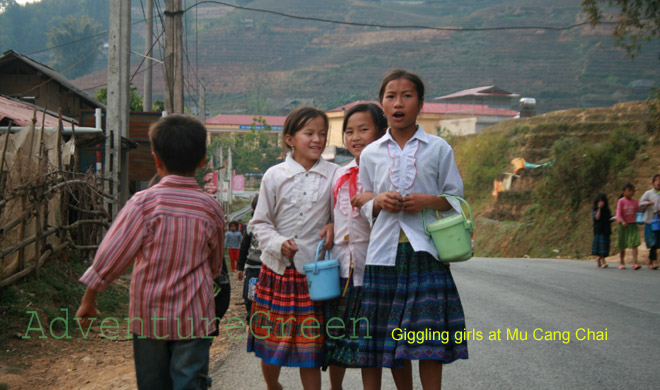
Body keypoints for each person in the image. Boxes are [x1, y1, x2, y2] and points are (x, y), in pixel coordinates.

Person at [75, 114, 225, 389]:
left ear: (157, 160)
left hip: (148, 316)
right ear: (202, 161)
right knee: (190, 382)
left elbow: (112, 254)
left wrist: (90, 298)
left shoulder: (143, 204)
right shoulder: (210, 208)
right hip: (195, 315)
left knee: (152, 383)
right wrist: (211, 274)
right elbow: (215, 265)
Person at [358, 69, 468, 390]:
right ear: (382, 104)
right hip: (383, 256)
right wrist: (379, 201)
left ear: (420, 103)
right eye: (391, 96)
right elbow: (365, 199)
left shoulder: (438, 148)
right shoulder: (371, 153)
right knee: (394, 342)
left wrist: (429, 200)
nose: (398, 102)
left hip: (427, 253)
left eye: (407, 95)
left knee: (427, 338)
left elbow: (456, 198)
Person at [247, 107, 339, 390]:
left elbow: (343, 214)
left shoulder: (335, 175)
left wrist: (335, 225)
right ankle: (273, 386)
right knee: (270, 342)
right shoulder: (274, 176)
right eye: (309, 133)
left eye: (322, 134)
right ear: (290, 138)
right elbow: (259, 223)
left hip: (315, 275)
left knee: (310, 349)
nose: (317, 140)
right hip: (277, 272)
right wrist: (277, 243)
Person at [324, 103, 412, 390]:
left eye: (363, 129)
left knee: (382, 342)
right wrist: (329, 225)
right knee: (336, 336)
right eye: (349, 131)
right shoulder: (339, 174)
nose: (355, 137)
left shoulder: (386, 171)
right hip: (341, 271)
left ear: (381, 131)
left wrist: (372, 199)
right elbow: (331, 213)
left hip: (376, 270)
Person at [237, 194, 262, 321]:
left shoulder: (275, 226)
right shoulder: (251, 226)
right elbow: (244, 247)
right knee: (250, 294)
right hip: (252, 267)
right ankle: (250, 316)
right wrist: (240, 268)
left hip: (268, 267)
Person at [616, 183, 641, 270]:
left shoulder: (635, 201)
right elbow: (618, 214)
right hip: (623, 226)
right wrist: (622, 221)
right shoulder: (621, 201)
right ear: (624, 192)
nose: (631, 192)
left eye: (632, 191)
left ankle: (635, 263)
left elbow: (639, 210)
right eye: (629, 191)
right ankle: (622, 262)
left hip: (632, 224)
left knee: (635, 243)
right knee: (622, 244)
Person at [638, 174, 660, 269]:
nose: (659, 182)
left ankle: (650, 260)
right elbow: (640, 203)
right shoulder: (648, 193)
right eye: (657, 180)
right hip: (649, 221)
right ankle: (654, 261)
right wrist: (648, 203)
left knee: (657, 241)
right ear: (653, 182)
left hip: (658, 221)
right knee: (652, 242)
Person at [592, 193, 612, 268]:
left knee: (605, 246)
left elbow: (609, 218)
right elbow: (597, 217)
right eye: (599, 201)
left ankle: (598, 258)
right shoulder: (595, 209)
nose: (601, 203)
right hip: (599, 230)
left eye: (602, 201)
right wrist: (599, 208)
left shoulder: (607, 210)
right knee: (601, 246)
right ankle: (603, 262)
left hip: (606, 229)